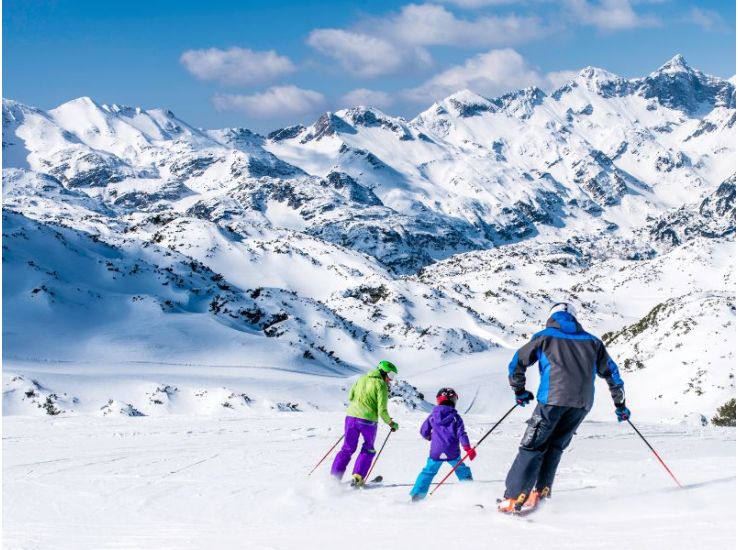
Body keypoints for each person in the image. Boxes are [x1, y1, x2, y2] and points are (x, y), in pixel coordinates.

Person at [498, 302, 629, 514]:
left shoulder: (545, 336)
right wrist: (620, 404)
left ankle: (513, 498)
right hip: (581, 404)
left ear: (551, 317)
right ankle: (540, 494)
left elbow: (516, 364)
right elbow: (612, 374)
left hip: (552, 400)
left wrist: (519, 391)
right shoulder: (593, 342)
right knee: (554, 447)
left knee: (532, 446)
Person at [330, 360, 399, 487]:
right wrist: (391, 423)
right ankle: (358, 477)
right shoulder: (381, 384)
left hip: (351, 417)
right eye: (391, 376)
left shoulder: (361, 379)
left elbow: (351, 396)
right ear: (384, 372)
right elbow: (381, 409)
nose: (391, 380)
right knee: (368, 448)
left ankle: (334, 478)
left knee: (347, 448)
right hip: (367, 421)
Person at [409, 387, 476, 501]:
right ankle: (469, 491)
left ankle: (417, 495)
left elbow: (423, 431)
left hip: (436, 451)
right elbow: (462, 434)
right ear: (453, 401)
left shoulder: (433, 416)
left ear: (439, 400)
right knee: (461, 469)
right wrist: (468, 448)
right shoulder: (456, 417)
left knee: (428, 471)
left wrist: (429, 437)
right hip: (452, 452)